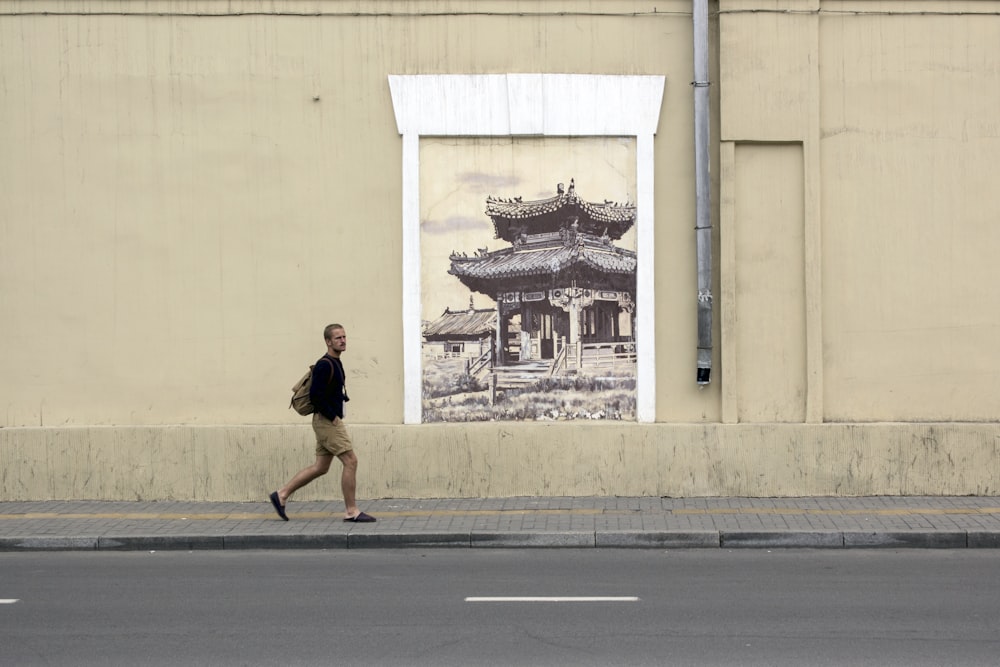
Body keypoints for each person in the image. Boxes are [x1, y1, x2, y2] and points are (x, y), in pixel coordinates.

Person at [269, 324, 376, 523]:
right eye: (338, 338)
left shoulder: (336, 362)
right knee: (351, 461)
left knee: (320, 467)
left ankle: (281, 494)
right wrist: (333, 417)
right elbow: (315, 396)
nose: (342, 340)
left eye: (344, 337)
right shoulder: (325, 364)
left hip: (326, 421)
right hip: (327, 421)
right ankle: (351, 510)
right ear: (328, 341)